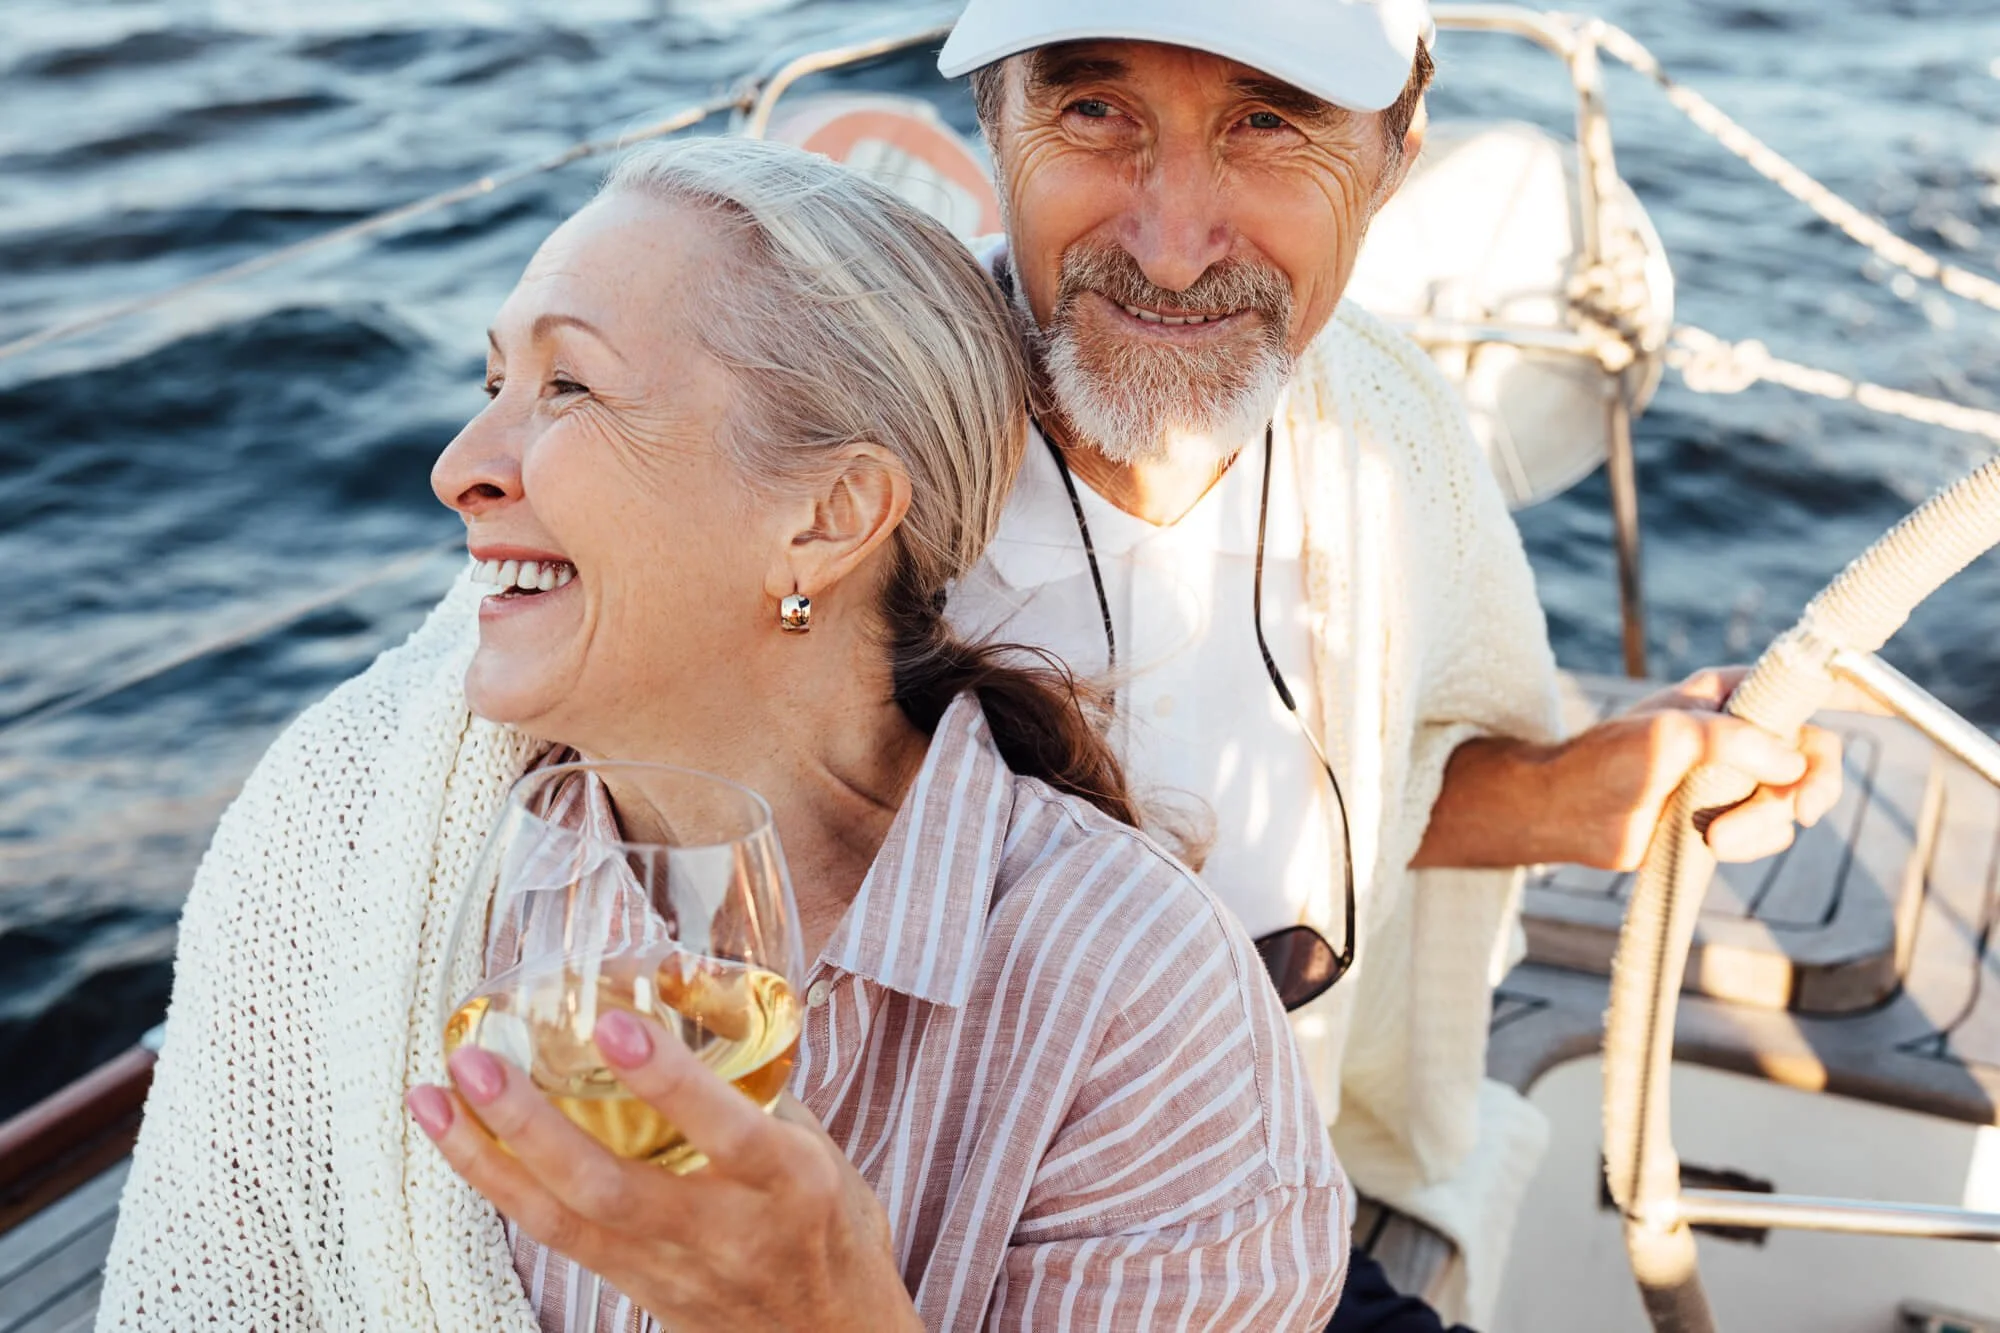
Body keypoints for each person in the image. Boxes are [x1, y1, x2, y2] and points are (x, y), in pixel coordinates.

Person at [96, 137, 1348, 1331]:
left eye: (567, 385)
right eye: (494, 386)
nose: (460, 465)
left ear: (827, 515)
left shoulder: (1136, 1003)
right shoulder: (357, 845)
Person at [933, 0, 1844, 1326]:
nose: (1174, 249)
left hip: (1265, 1220)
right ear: (992, 121)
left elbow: (1367, 789)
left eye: (1270, 123)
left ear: (1395, 156)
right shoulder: (843, 434)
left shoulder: (1389, 425)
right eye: (1092, 112)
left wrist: (1581, 796)